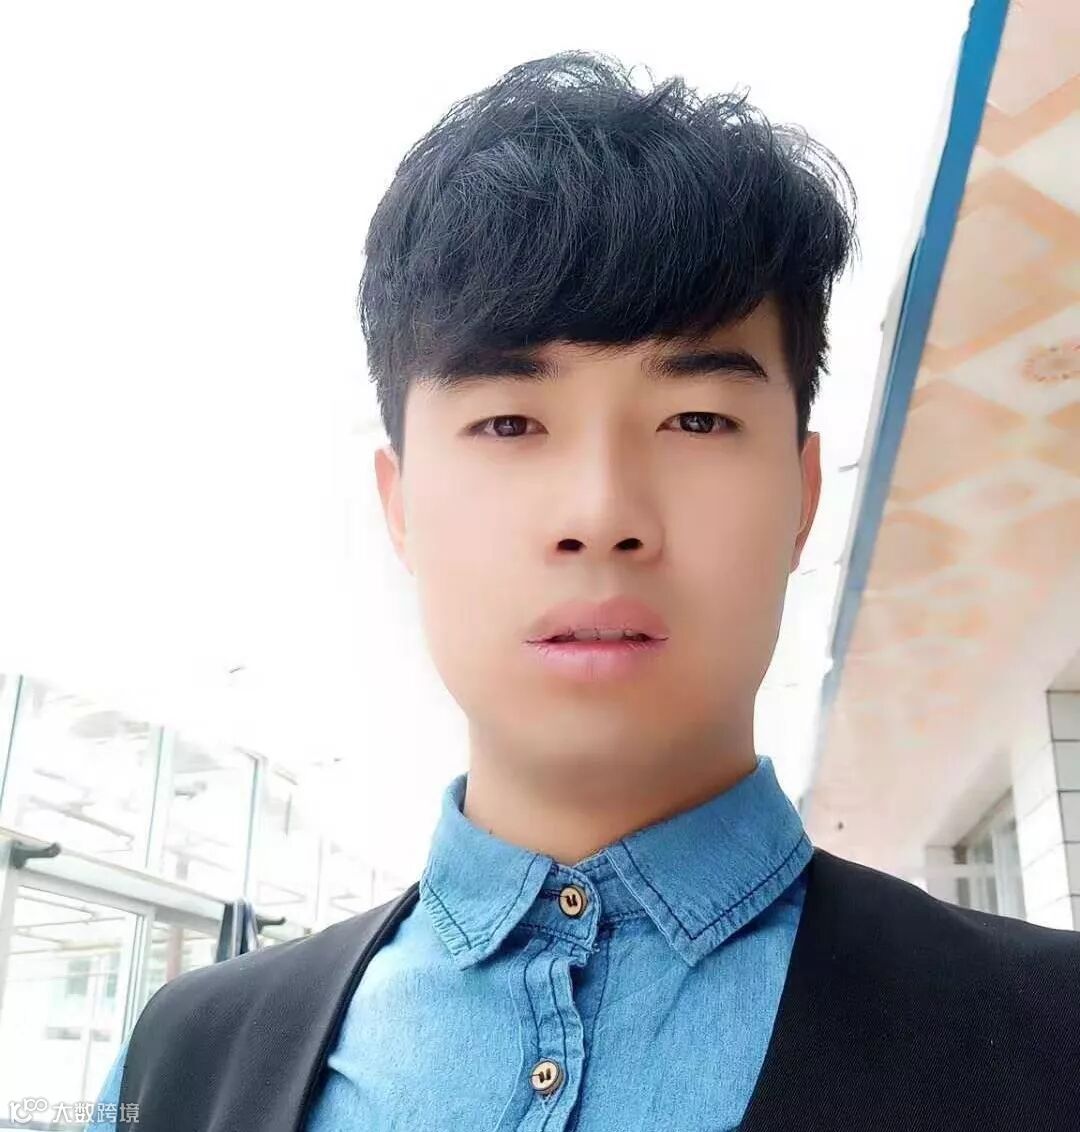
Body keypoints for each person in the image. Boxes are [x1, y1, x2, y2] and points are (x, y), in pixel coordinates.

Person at [89, 50, 1080, 1132]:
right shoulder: (182, 1060)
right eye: (510, 421)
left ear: (802, 496)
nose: (603, 512)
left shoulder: (1052, 1035)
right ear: (400, 504)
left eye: (697, 419)